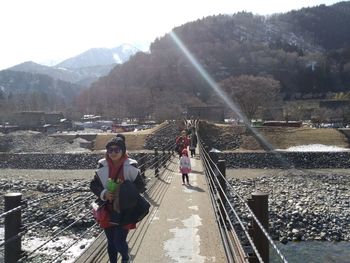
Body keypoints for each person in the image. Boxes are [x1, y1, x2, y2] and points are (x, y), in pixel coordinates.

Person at [90, 136, 145, 263]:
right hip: (107, 208)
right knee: (111, 242)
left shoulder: (130, 166)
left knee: (119, 241)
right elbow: (93, 185)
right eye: (110, 150)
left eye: (116, 150)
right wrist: (103, 193)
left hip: (125, 209)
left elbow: (141, 186)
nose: (113, 153)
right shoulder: (102, 166)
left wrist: (125, 191)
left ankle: (125, 258)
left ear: (123, 151)